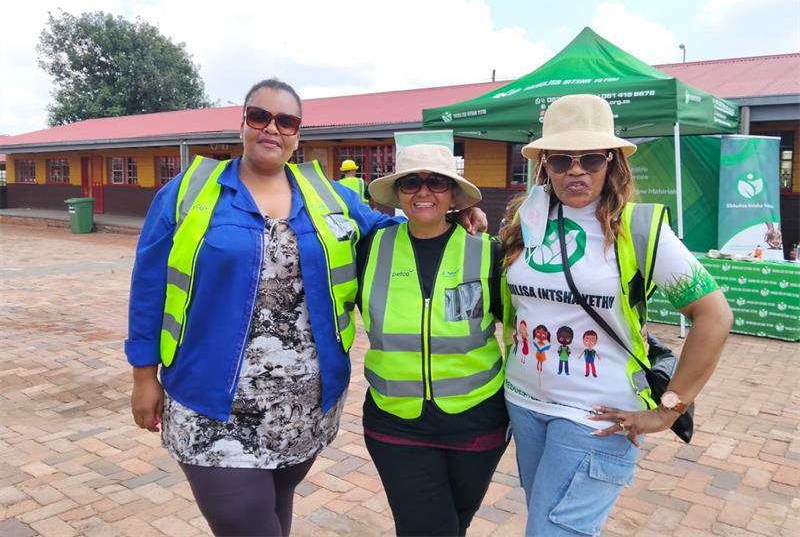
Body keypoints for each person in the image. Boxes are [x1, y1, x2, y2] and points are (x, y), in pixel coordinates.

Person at [125, 77, 488, 537]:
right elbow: (149, 285)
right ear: (242, 123)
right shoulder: (191, 191)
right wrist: (143, 376)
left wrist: (451, 212)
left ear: (298, 134)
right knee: (247, 522)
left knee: (277, 510)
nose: (271, 128)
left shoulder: (328, 195)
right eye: (260, 116)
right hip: (210, 400)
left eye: (286, 121)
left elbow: (392, 230)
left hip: (304, 405)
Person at [499, 94, 732, 536]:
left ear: (612, 163)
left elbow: (714, 316)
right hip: (524, 406)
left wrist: (668, 409)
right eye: (561, 160)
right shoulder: (525, 223)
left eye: (590, 159)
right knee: (544, 521)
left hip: (596, 418)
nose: (576, 171)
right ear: (545, 166)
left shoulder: (637, 228)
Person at [357, 144, 508, 537]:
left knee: (455, 524)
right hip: (396, 424)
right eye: (411, 182)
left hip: (477, 423)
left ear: (454, 194)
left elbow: (524, 324)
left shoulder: (487, 253)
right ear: (398, 193)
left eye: (437, 183)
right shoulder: (368, 248)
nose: (423, 192)